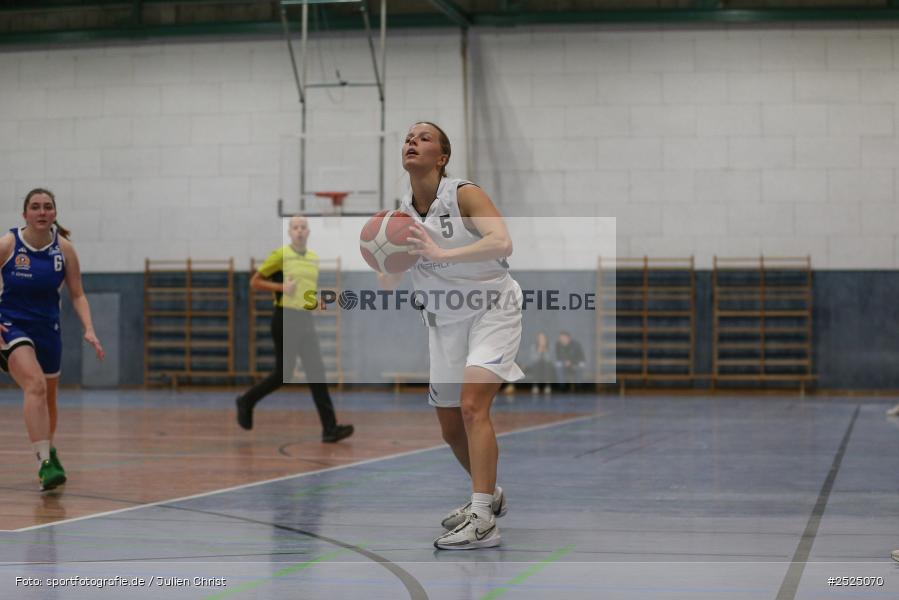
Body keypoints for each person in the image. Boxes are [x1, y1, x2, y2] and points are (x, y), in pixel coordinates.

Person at [380, 121, 523, 550]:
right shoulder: (401, 212)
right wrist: (384, 263)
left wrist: (445, 253)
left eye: (423, 138)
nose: (412, 142)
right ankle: (489, 494)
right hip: (443, 321)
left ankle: (482, 518)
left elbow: (502, 241)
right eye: (408, 137)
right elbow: (392, 277)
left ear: (441, 158)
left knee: (472, 406)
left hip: (492, 311)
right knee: (449, 427)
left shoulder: (463, 193)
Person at [0, 188, 104, 491]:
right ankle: (44, 462)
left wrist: (89, 328)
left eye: (47, 207)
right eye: (35, 207)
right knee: (34, 385)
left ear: (54, 213)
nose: (42, 212)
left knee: (48, 398)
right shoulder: (8, 245)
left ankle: (48, 449)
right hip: (10, 325)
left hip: (48, 327)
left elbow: (78, 293)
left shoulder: (65, 249)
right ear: (25, 214)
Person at [235, 216, 353, 444]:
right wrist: (281, 287)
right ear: (290, 232)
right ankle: (246, 400)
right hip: (284, 318)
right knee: (283, 375)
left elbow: (306, 293)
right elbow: (255, 282)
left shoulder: (313, 259)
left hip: (305, 319)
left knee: (317, 374)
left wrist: (314, 302)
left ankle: (330, 429)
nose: (299, 231)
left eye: (303, 227)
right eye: (295, 227)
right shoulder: (281, 255)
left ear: (308, 232)